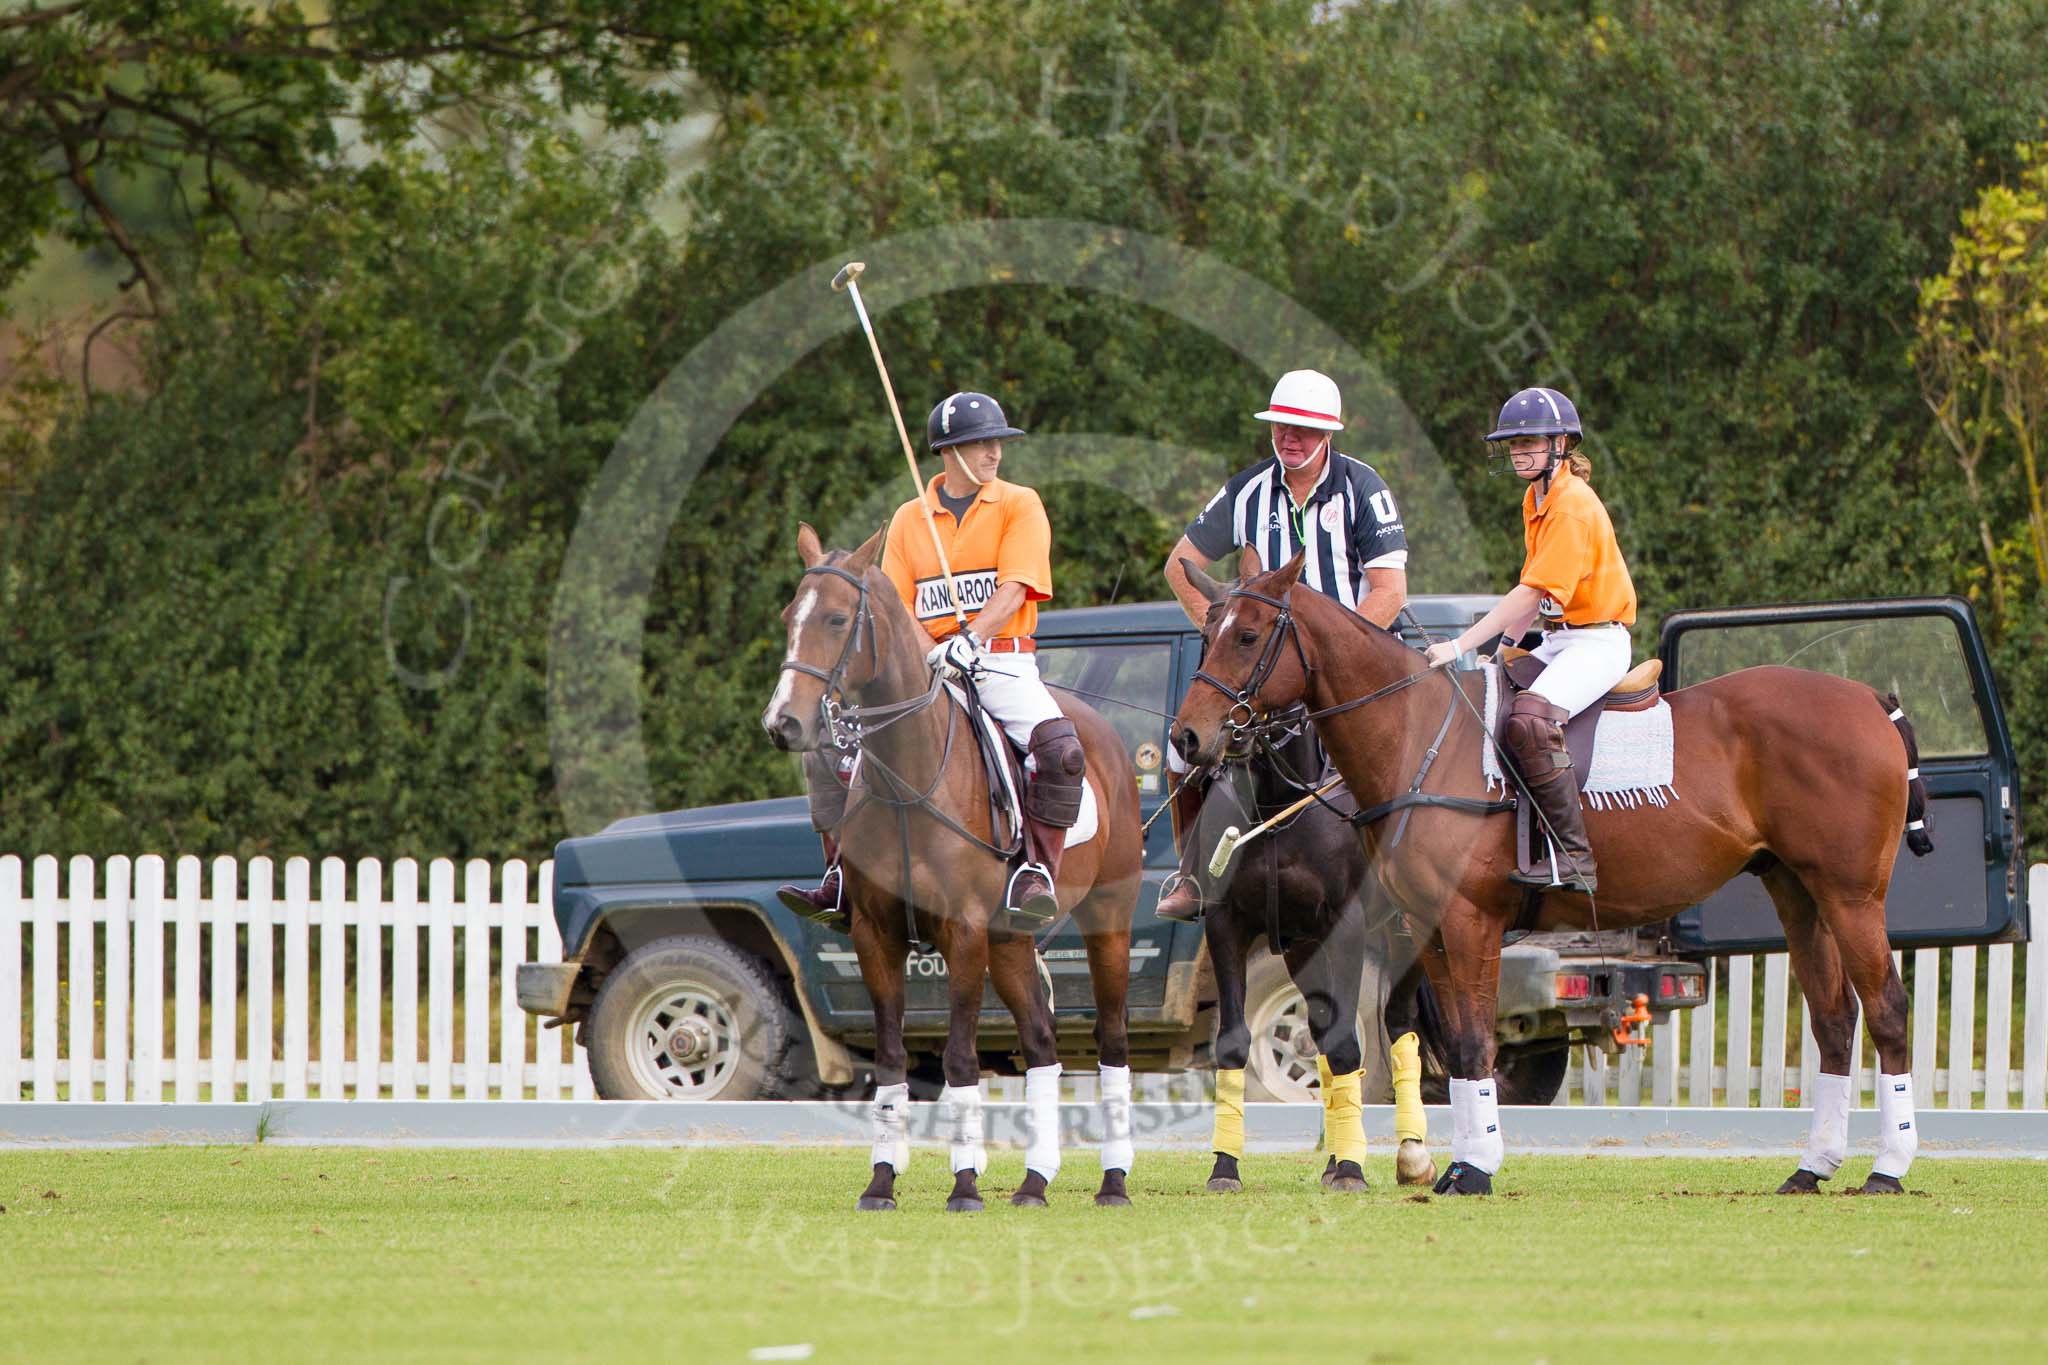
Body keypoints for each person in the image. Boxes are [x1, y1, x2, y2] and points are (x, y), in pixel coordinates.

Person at [776, 391, 1084, 927]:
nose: (994, 452)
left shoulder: (1019, 503)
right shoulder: (911, 518)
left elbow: (1015, 588)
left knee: (1058, 750)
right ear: (949, 452)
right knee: (827, 750)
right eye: (981, 443)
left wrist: (972, 638)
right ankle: (839, 876)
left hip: (1002, 661)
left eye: (996, 442)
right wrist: (929, 654)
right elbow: (896, 608)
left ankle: (1035, 870)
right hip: (930, 666)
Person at [1156, 367, 1409, 922]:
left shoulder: (1363, 488)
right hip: (1263, 670)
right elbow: (1181, 565)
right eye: (1280, 428)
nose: (1289, 439)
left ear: (1328, 435)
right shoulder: (1246, 490)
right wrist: (1216, 629)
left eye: (1303, 431)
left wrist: (1338, 656)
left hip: (1351, 676)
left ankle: (1413, 875)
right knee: (1180, 746)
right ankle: (1193, 875)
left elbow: (1390, 592)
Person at [1422, 386, 1637, 894]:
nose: (1519, 452)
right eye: (1513, 443)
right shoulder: (1536, 497)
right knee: (1490, 695)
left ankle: (1574, 854)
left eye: (1531, 442)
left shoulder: (1570, 506)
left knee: (1530, 721)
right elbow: (1534, 589)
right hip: (1560, 638)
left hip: (1597, 643)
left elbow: (1530, 591)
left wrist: (1459, 646)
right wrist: (1501, 652)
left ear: (1560, 444)